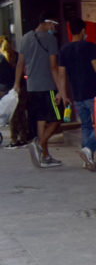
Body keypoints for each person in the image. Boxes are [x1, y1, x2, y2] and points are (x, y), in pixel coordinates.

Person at [13, 11, 69, 168]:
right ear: (47, 23)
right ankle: (39, 143)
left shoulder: (25, 38)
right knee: (57, 119)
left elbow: (20, 63)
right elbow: (53, 67)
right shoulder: (50, 39)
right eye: (54, 25)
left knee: (40, 120)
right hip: (47, 86)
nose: (54, 28)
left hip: (31, 87)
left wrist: (17, 83)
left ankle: (45, 156)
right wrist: (61, 92)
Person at [58, 17, 96, 170]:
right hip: (92, 92)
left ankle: (87, 160)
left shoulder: (64, 50)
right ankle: (88, 149)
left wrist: (64, 95)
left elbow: (62, 75)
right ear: (83, 31)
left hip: (76, 94)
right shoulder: (90, 47)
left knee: (85, 126)